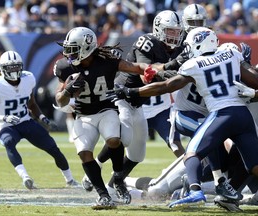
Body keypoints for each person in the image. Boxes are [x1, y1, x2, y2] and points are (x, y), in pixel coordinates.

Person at [108, 26, 258, 209]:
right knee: (157, 190)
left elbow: (166, 86)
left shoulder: (193, 65)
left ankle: (201, 188)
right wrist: (248, 72)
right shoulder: (231, 54)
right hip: (222, 116)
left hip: (219, 115)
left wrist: (132, 91)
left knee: (194, 153)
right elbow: (253, 79)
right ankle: (133, 183)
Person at [81, 10, 185, 202]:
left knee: (138, 154)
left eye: (177, 32)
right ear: (158, 29)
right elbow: (146, 75)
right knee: (124, 137)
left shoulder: (178, 49)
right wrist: (175, 74)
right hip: (121, 95)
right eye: (170, 31)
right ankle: (95, 168)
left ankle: (116, 182)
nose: (174, 36)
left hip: (138, 103)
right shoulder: (147, 43)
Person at [54, 27, 153, 209]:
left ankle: (117, 179)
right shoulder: (65, 67)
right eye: (69, 48)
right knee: (84, 154)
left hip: (106, 110)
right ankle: (103, 195)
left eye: (74, 49)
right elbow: (59, 101)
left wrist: (148, 70)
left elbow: (134, 67)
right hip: (83, 115)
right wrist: (68, 90)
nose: (69, 53)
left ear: (87, 47)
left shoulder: (107, 61)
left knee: (114, 140)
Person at [0, 50, 79, 189]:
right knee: (9, 142)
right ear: (3, 69)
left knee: (53, 148)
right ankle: (25, 177)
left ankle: (70, 180)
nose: (14, 70)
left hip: (26, 121)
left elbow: (32, 104)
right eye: (10, 68)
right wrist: (4, 117)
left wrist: (42, 118)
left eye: (16, 67)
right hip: (7, 125)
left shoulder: (28, 79)